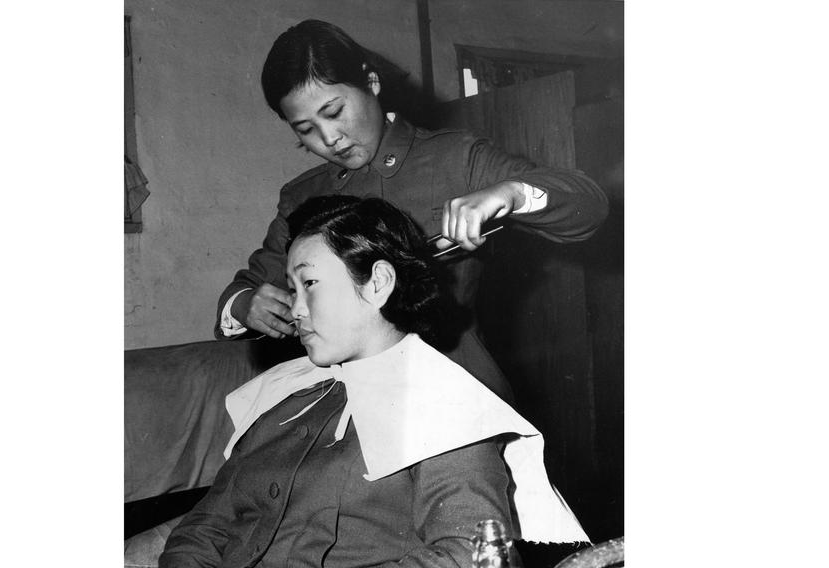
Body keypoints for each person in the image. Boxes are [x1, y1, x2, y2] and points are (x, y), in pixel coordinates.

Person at [159, 196, 587, 568]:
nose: (297, 309)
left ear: (379, 283)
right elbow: (205, 528)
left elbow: (466, 555)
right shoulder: (284, 399)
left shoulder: (446, 409)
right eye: (292, 288)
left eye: (309, 284)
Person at [216, 19, 609, 403]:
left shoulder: (455, 158)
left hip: (452, 389)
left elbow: (588, 205)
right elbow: (241, 291)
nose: (329, 139)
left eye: (334, 112)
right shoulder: (301, 196)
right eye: (305, 129)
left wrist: (511, 193)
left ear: (371, 84)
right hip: (345, 400)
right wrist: (245, 305)